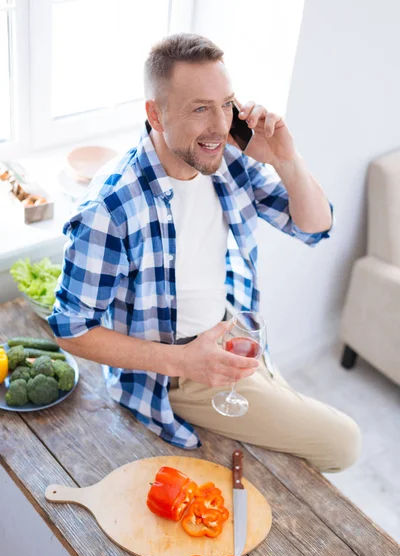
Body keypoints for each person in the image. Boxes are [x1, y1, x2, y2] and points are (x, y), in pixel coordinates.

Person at [48, 33, 361, 473]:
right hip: (173, 373)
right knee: (343, 442)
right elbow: (69, 330)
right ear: (155, 115)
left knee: (307, 426)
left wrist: (285, 160)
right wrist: (183, 361)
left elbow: (314, 226)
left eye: (226, 104)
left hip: (227, 327)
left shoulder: (224, 159)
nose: (219, 125)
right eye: (200, 108)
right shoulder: (110, 208)